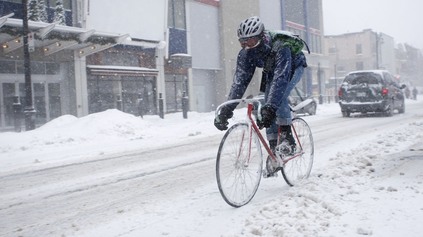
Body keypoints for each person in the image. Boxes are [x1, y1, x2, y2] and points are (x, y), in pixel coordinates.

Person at [214, 16, 308, 172]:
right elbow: (239, 83)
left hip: (293, 65)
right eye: (243, 43)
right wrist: (226, 111)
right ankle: (274, 152)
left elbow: (281, 79)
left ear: (261, 37)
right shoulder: (245, 54)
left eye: (250, 41)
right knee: (265, 103)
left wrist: (271, 108)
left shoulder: (281, 47)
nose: (247, 46)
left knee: (279, 96)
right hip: (271, 68)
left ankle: (287, 139)